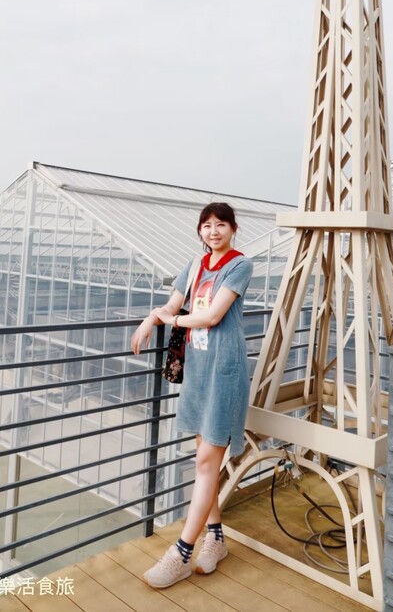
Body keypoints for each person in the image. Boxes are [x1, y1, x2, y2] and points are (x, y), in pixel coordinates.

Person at [131, 201, 253, 589]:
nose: (213, 231)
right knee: (205, 461)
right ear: (200, 231)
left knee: (205, 462)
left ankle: (181, 553)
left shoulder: (239, 265)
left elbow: (213, 315)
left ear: (233, 229)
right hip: (199, 373)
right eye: (207, 225)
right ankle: (215, 539)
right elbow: (174, 301)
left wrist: (172, 320)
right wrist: (154, 317)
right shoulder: (195, 265)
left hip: (225, 371)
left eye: (220, 225)